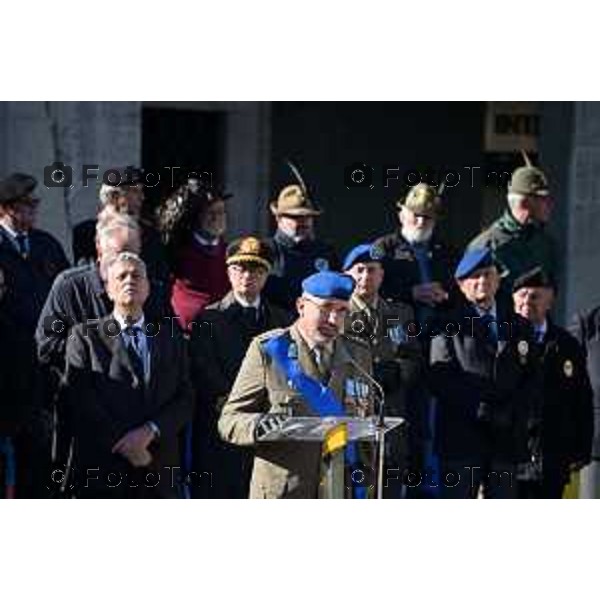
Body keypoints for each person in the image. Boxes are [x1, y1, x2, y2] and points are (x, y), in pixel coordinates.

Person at [218, 271, 374, 498]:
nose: (333, 320)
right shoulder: (269, 350)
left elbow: (366, 427)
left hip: (339, 490)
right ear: (301, 306)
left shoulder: (357, 354)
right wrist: (262, 425)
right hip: (285, 491)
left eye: (341, 310)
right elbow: (229, 421)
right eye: (325, 308)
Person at [63, 252, 194, 498]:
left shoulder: (171, 338)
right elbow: (80, 400)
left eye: (136, 276)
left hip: (158, 468)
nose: (129, 280)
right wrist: (127, 444)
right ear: (109, 290)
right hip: (105, 470)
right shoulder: (84, 337)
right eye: (121, 276)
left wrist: (149, 432)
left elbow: (185, 398)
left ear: (147, 287)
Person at [429, 247, 539, 499]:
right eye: (475, 277)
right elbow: (440, 378)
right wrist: (479, 408)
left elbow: (532, 376)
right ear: (460, 284)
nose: (483, 282)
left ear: (498, 279)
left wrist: (513, 410)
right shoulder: (446, 323)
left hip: (506, 440)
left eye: (488, 274)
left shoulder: (520, 325)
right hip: (463, 438)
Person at [189, 236, 291, 497]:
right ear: (229, 272)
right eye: (240, 268)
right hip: (223, 432)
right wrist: (241, 409)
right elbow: (204, 372)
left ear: (267, 275)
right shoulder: (209, 318)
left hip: (270, 432)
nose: (247, 276)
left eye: (256, 270)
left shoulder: (282, 320)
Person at [0, 172, 69, 498]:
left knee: (39, 461)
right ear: (7, 208)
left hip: (43, 371)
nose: (33, 211)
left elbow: (66, 296)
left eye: (35, 204)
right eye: (26, 205)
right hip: (6, 370)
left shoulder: (46, 245)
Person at [342, 242, 423, 495]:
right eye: (360, 270)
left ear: (382, 274)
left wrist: (399, 373)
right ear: (348, 274)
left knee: (388, 489)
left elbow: (413, 354)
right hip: (351, 418)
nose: (366, 277)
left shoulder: (400, 313)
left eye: (372, 270)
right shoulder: (337, 312)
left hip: (390, 417)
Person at [512, 267, 593, 498]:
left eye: (536, 295)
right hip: (509, 459)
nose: (528, 301)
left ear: (550, 301)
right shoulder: (499, 339)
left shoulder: (566, 344)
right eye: (522, 294)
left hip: (552, 459)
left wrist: (580, 450)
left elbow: (581, 398)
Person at [72, 169, 170, 313]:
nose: (142, 197)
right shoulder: (87, 232)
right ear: (115, 196)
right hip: (99, 312)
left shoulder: (151, 235)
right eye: (135, 191)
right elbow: (86, 276)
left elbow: (161, 277)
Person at [372, 183, 458, 333]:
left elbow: (461, 289)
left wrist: (445, 294)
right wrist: (410, 293)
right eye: (416, 215)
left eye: (427, 217)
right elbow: (371, 290)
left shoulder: (448, 251)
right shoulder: (384, 248)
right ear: (402, 215)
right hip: (398, 331)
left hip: (440, 332)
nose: (421, 222)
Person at [468, 154, 558, 297]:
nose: (550, 204)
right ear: (524, 203)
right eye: (543, 198)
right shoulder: (485, 246)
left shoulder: (545, 244)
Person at [160, 179, 231, 332]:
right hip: (186, 331)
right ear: (197, 217)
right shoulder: (178, 251)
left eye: (221, 212)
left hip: (222, 331)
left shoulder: (231, 253)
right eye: (211, 213)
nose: (217, 218)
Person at [263, 182, 338, 312]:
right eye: (296, 217)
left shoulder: (325, 252)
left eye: (308, 216)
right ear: (278, 218)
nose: (303, 222)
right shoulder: (265, 250)